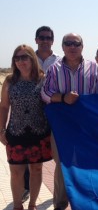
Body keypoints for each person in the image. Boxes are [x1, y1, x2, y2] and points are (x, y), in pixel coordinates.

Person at [41, 33, 98, 210]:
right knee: (63, 165)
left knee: (87, 165)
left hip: (87, 128)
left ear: (82, 46)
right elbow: (45, 93)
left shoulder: (94, 68)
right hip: (62, 128)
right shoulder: (54, 69)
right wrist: (63, 98)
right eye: (68, 43)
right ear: (62, 47)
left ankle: (86, 203)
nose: (72, 47)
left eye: (76, 43)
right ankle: (60, 205)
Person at [0, 44, 52, 210]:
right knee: (16, 172)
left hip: (39, 132)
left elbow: (50, 106)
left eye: (24, 57)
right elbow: (3, 107)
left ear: (32, 59)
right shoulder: (9, 81)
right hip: (16, 132)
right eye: (17, 58)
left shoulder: (43, 79)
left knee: (36, 169)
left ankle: (32, 204)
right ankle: (17, 205)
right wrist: (1, 129)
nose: (21, 61)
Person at [22, 25, 61, 204]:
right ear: (36, 40)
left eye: (48, 38)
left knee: (58, 156)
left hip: (53, 114)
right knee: (29, 156)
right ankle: (26, 189)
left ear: (53, 41)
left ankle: (59, 193)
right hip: (30, 114)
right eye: (42, 38)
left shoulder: (60, 61)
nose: (45, 41)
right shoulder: (27, 59)